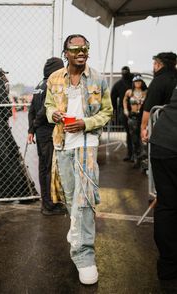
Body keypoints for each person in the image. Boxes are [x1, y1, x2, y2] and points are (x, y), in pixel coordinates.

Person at [45, 34, 113, 285]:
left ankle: (84, 255)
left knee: (84, 202)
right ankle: (76, 232)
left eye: (85, 48)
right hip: (62, 145)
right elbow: (48, 106)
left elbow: (107, 111)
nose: (81, 52)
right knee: (71, 198)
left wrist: (87, 123)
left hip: (87, 146)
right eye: (75, 49)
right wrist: (56, 115)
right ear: (66, 53)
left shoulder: (97, 78)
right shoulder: (54, 79)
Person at [27, 57, 65, 215]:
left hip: (40, 132)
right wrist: (35, 125)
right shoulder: (50, 85)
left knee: (43, 168)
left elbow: (31, 110)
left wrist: (31, 130)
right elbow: (43, 110)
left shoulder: (38, 86)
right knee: (49, 168)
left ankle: (47, 202)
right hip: (48, 131)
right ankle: (49, 205)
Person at [149, 86, 177, 291]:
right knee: (168, 204)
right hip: (171, 143)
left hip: (162, 140)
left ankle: (167, 266)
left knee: (167, 204)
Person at [141, 52, 177, 143]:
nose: (153, 66)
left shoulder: (158, 81)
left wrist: (144, 128)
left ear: (159, 64)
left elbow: (149, 108)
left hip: (162, 130)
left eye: (154, 63)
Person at [123, 74, 147, 168]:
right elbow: (124, 100)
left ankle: (144, 160)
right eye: (136, 81)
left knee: (143, 139)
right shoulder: (129, 92)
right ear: (133, 83)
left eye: (139, 81)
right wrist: (125, 110)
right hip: (132, 117)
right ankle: (137, 159)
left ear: (142, 82)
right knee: (134, 139)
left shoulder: (146, 92)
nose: (138, 83)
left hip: (142, 117)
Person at [111, 66, 134, 161]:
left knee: (132, 134)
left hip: (134, 110)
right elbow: (113, 97)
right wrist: (114, 110)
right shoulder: (120, 84)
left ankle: (133, 154)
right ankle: (131, 154)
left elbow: (112, 97)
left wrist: (114, 110)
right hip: (125, 111)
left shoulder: (134, 82)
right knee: (130, 133)